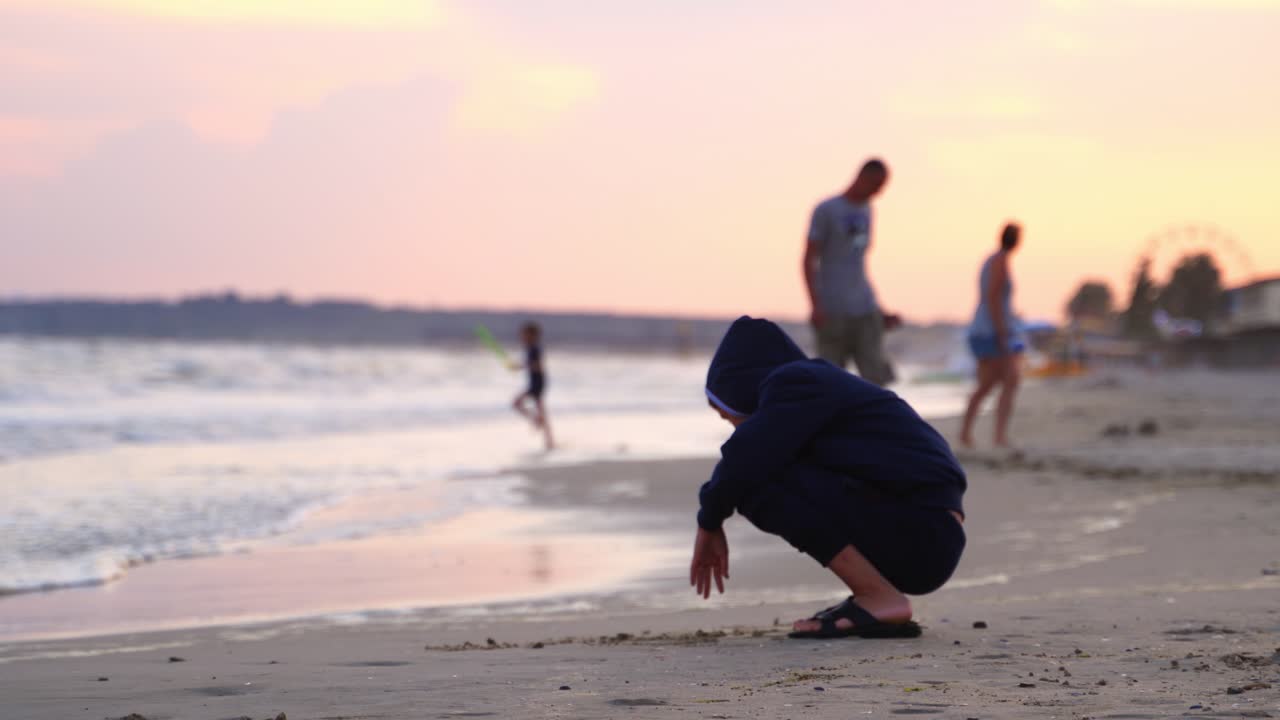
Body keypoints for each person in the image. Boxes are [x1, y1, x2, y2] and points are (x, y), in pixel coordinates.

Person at [690, 317, 967, 638]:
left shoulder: (796, 382)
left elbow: (745, 456)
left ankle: (877, 597)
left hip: (922, 533)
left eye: (728, 416)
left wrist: (709, 520)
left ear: (740, 389)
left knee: (755, 483)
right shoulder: (819, 387)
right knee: (754, 469)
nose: (735, 427)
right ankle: (874, 594)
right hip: (925, 530)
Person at [802, 158, 900, 386]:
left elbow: (858, 265)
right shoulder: (827, 209)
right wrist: (815, 304)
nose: (878, 192)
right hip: (832, 310)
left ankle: (875, 422)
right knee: (829, 382)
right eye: (876, 185)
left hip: (865, 309)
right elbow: (808, 259)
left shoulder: (868, 211)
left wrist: (880, 309)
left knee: (877, 380)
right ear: (862, 177)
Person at [959, 223, 1024, 449]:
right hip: (990, 331)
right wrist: (1002, 332)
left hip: (988, 329)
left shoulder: (995, 260)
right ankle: (995, 436)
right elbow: (993, 298)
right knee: (1006, 380)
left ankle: (972, 434)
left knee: (994, 383)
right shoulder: (999, 262)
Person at [511, 321, 554, 451]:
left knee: (518, 403)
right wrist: (520, 366)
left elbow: (539, 366)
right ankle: (548, 440)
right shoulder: (530, 348)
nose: (522, 337)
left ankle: (547, 439)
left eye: (524, 335)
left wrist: (521, 366)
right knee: (533, 409)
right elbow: (532, 365)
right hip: (535, 382)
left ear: (532, 335)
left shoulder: (535, 348)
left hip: (538, 383)